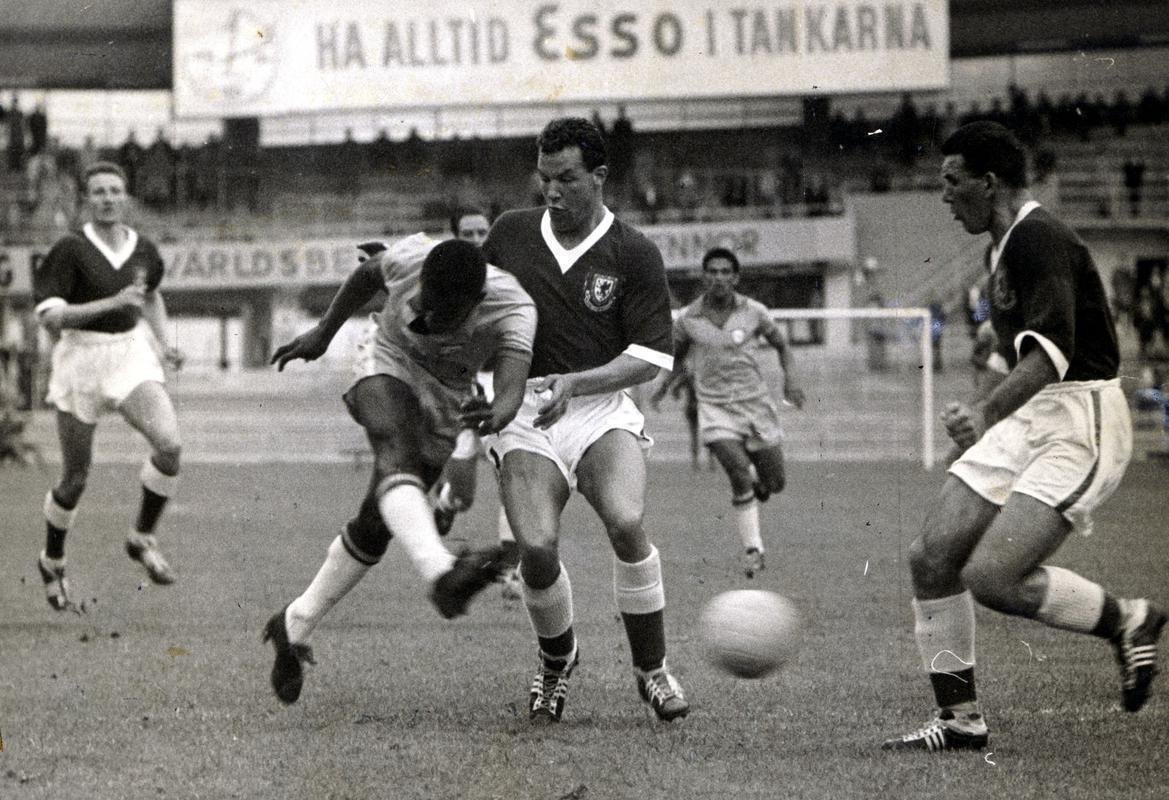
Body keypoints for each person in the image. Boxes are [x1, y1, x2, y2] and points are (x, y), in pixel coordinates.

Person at [883, 121, 1164, 753]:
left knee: (995, 576)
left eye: (953, 183)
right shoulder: (1000, 248)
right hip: (1028, 414)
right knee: (931, 557)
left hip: (1079, 420)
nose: (944, 197)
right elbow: (1014, 358)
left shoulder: (1037, 238)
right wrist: (980, 416)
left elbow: (1052, 357)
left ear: (989, 182)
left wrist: (984, 416)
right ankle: (959, 722)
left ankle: (1129, 620)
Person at [262, 234, 536, 705]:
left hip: (447, 392)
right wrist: (322, 335)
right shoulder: (410, 258)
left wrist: (500, 411)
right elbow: (367, 274)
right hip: (386, 355)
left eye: (443, 315)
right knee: (394, 450)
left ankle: (294, 624)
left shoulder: (514, 308)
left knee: (376, 525)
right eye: (423, 305)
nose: (427, 319)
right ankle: (441, 574)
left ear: (477, 304)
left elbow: (511, 386)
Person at [480, 117, 689, 724]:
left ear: (599, 176)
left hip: (598, 412)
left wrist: (577, 383)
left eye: (566, 178)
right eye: (544, 179)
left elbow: (649, 358)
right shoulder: (511, 234)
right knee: (537, 550)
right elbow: (477, 311)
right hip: (525, 418)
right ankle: (557, 659)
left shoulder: (634, 252)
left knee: (626, 520)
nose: (552, 191)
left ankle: (652, 670)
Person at [33, 161, 185, 611]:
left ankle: (141, 536)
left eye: (115, 190)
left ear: (126, 196)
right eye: (98, 192)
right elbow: (51, 316)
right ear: (86, 199)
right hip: (80, 359)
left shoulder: (144, 250)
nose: (108, 198)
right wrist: (112, 302)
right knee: (75, 478)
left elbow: (151, 295)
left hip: (129, 353)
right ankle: (52, 559)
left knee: (170, 445)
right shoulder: (69, 248)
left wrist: (164, 342)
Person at [656, 247, 804, 579]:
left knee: (776, 483)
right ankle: (754, 549)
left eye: (725, 272)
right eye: (712, 271)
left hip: (756, 406)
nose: (719, 277)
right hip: (714, 407)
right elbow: (677, 355)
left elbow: (782, 346)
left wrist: (791, 379)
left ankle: (758, 482)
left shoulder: (756, 312)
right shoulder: (688, 319)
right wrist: (664, 384)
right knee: (737, 473)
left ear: (735, 277)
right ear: (703, 276)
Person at [431, 204, 524, 602]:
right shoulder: (440, 279)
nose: (475, 240)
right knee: (465, 492)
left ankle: (511, 571)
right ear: (453, 236)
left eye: (481, 232)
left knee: (512, 472)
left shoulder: (508, 279)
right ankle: (448, 502)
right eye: (466, 233)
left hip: (501, 382)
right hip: (460, 387)